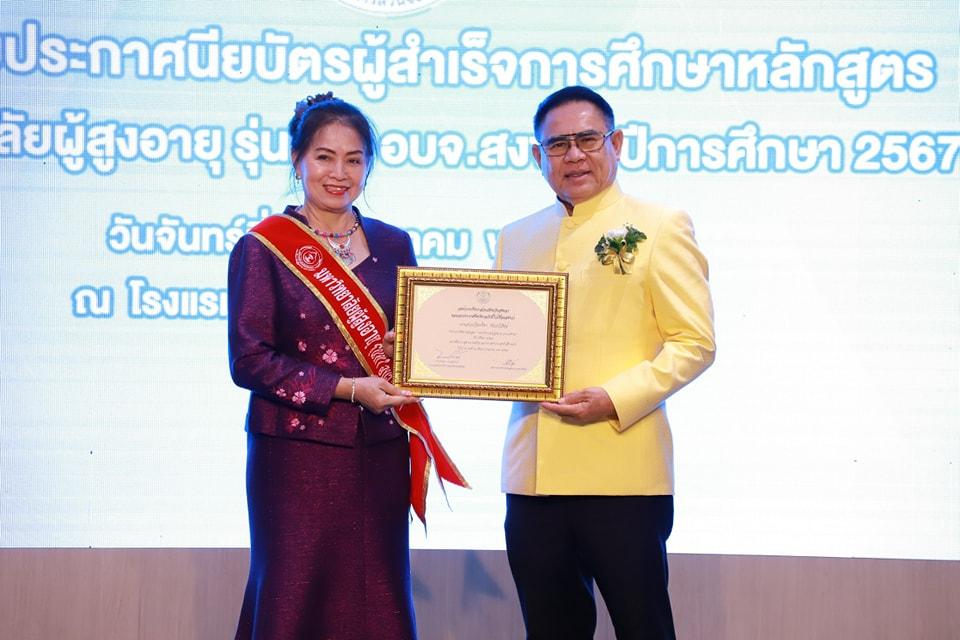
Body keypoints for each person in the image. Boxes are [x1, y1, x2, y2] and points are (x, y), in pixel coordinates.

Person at [494, 86, 716, 640]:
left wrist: (614, 399)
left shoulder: (660, 225)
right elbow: (501, 341)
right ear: (537, 155)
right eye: (557, 145)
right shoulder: (516, 236)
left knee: (644, 629)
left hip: (623, 471)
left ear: (616, 143)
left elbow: (694, 342)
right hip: (533, 476)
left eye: (588, 139)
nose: (573, 155)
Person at [228, 92, 422, 640]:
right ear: (298, 161)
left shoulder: (394, 243)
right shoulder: (264, 247)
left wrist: (411, 351)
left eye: (354, 159)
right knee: (296, 592)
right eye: (324, 157)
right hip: (296, 456)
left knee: (377, 593)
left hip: (380, 450)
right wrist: (347, 388)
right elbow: (249, 359)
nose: (340, 173)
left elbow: (414, 342)